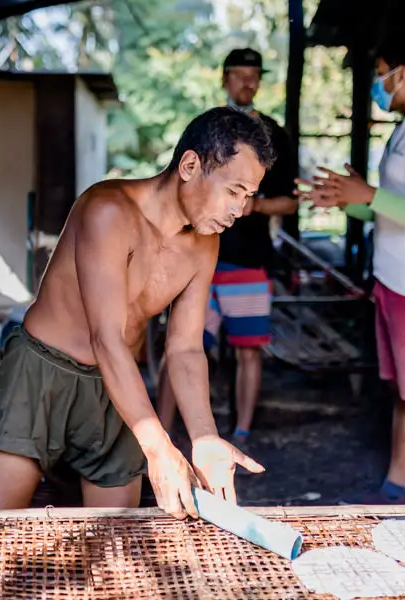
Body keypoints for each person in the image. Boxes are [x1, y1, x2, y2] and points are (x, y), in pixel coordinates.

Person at [0, 107, 273, 518]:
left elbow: (186, 348)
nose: (239, 211)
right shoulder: (109, 210)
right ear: (190, 165)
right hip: (41, 372)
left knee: (120, 538)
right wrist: (158, 446)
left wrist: (204, 437)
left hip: (117, 386)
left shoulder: (205, 242)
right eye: (234, 191)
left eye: (248, 196)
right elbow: (106, 337)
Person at [298, 30, 405, 505]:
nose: (377, 85)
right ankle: (395, 484)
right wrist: (345, 200)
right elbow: (391, 209)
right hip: (392, 283)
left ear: (403, 74)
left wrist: (368, 193)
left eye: (379, 75)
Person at [156, 48, 299, 445]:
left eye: (254, 75)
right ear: (224, 79)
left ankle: (241, 434)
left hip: (249, 263)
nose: (247, 83)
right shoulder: (209, 132)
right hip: (198, 256)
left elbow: (290, 201)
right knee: (180, 347)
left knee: (248, 351)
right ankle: (163, 433)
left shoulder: (274, 136)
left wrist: (253, 203)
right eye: (238, 75)